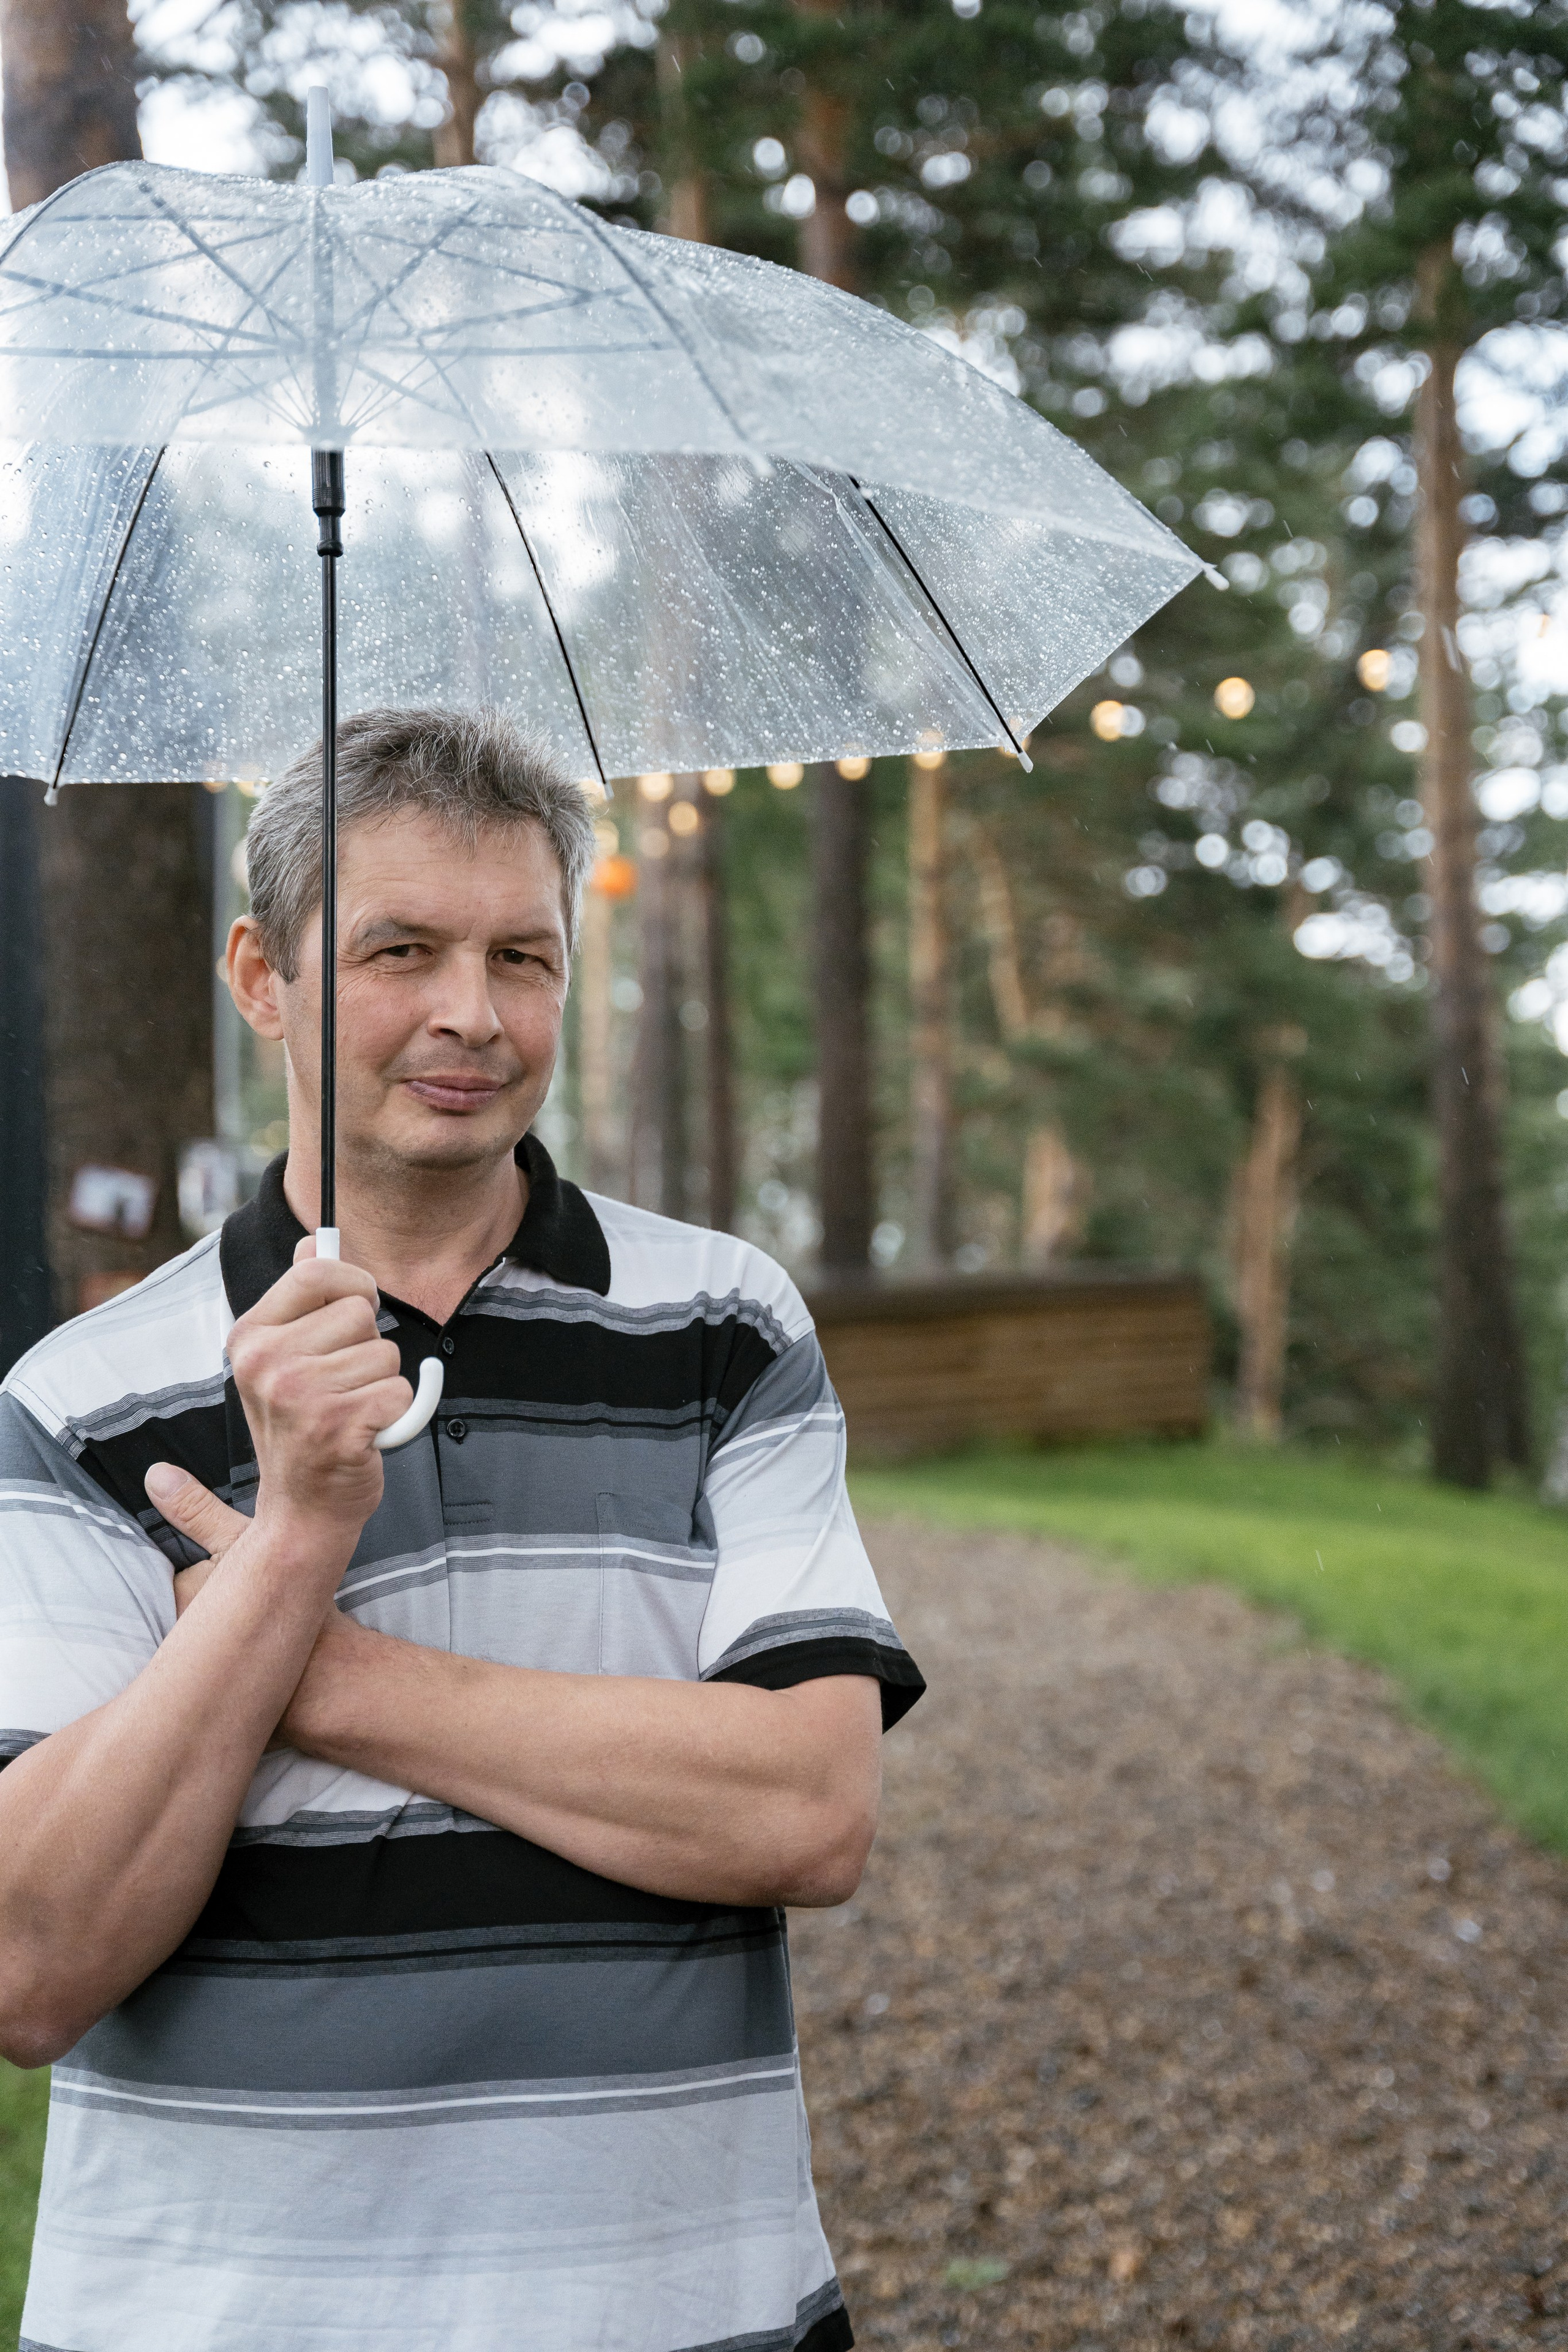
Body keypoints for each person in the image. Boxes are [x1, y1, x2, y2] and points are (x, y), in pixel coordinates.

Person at [0, 707, 923, 2352]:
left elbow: (806, 1808)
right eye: (400, 948)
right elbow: (31, 1959)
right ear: (262, 976)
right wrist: (290, 1542)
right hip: (223, 2320)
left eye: (524, 957)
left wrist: (316, 1670)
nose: (470, 1016)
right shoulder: (78, 1398)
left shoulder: (723, 1325)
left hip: (679, 2310)